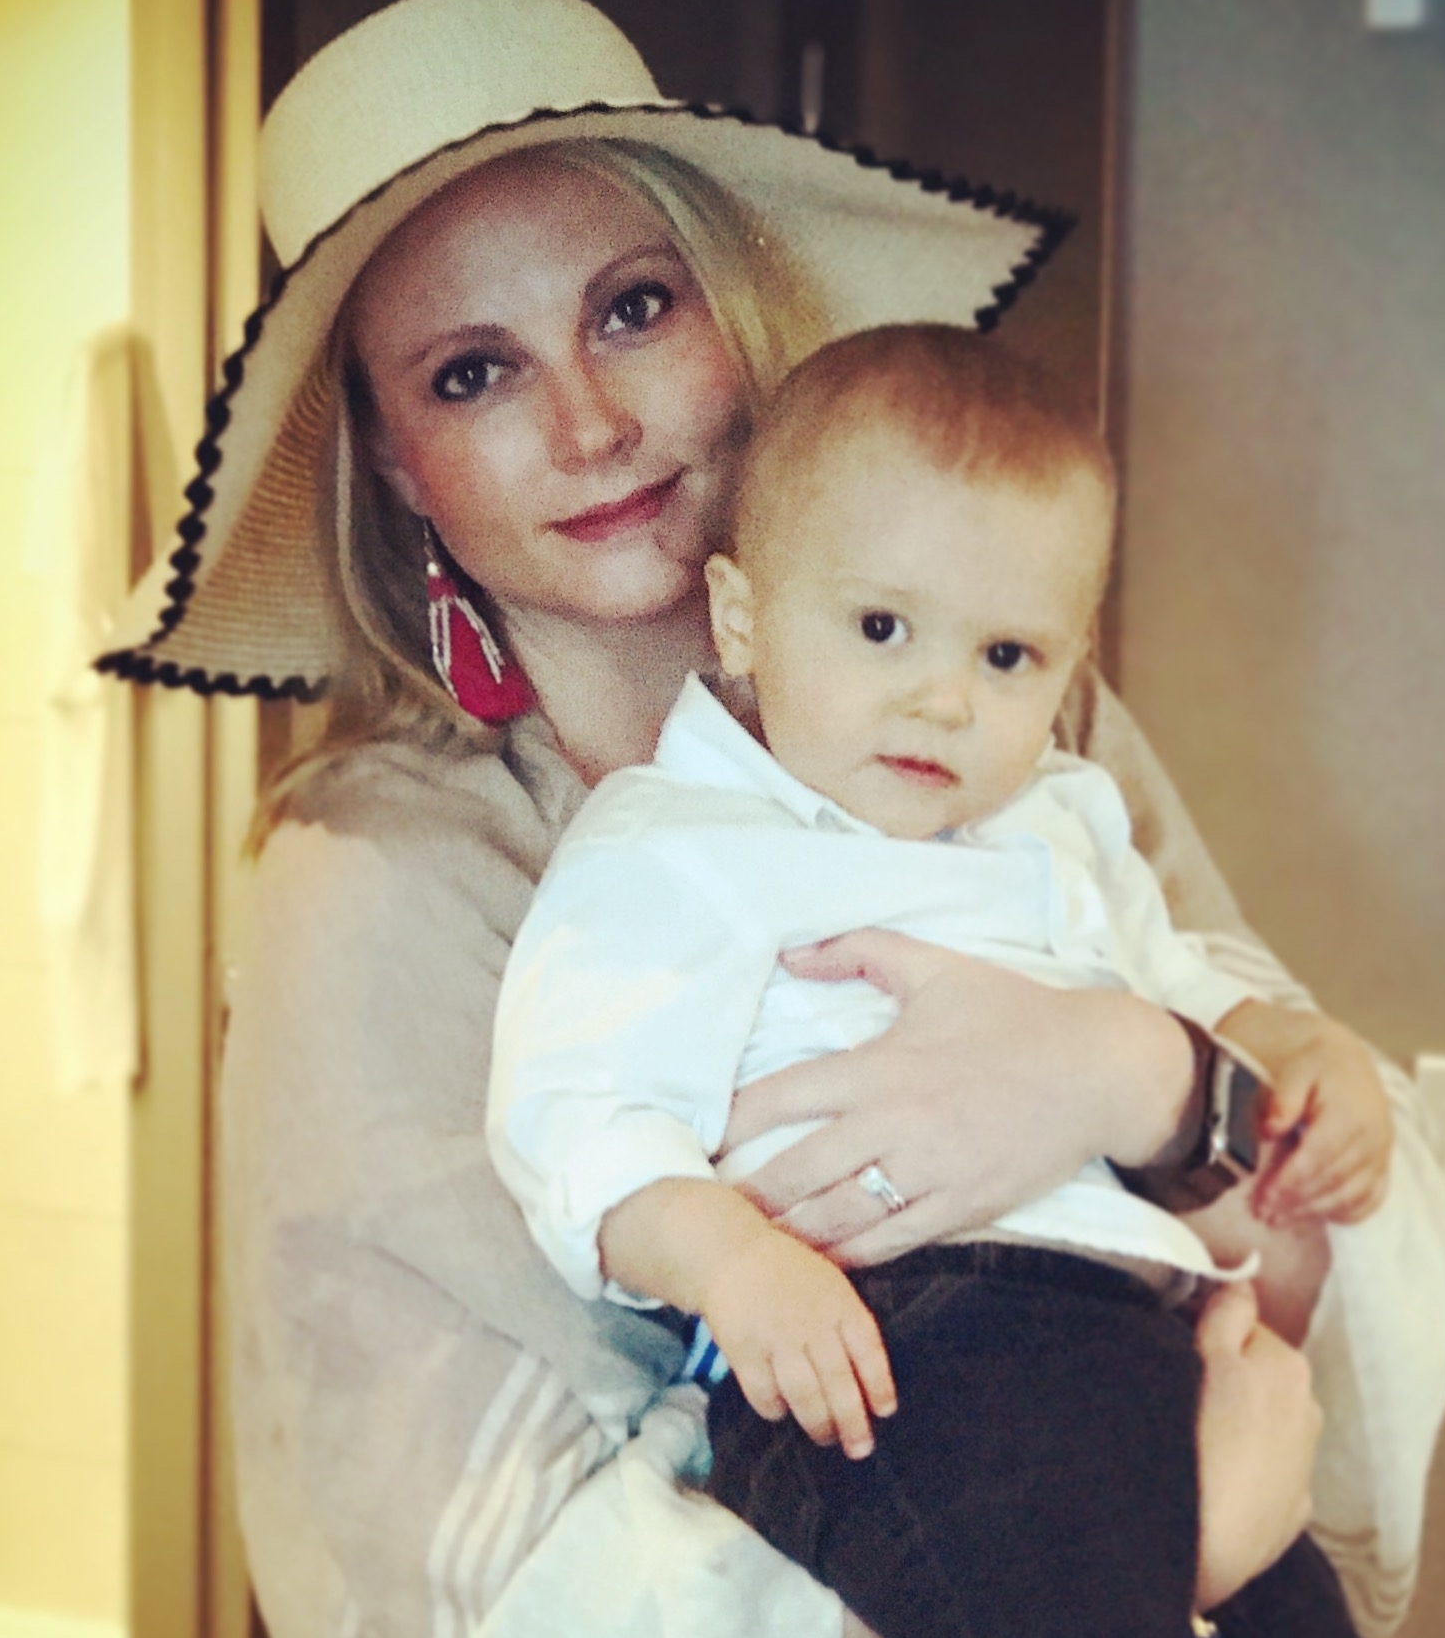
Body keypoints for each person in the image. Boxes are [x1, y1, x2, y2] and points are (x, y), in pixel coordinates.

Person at [96, 0, 1445, 1638]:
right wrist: (1178, 1561)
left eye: (631, 308)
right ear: (391, 459)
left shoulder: (1012, 719)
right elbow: (472, 1551)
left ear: (730, 311)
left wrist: (1138, 1072)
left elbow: (1327, 1215)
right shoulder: (378, 880)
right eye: (472, 373)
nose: (590, 424)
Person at [488, 324, 1397, 1637]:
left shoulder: (1066, 822)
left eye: (1005, 657)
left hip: (1142, 1325)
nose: (943, 701)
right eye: (881, 628)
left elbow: (1186, 1000)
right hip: (897, 1340)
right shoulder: (674, 843)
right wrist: (734, 1264)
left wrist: (1307, 1059)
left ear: (1067, 669)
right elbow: (574, 1117)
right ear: (742, 617)